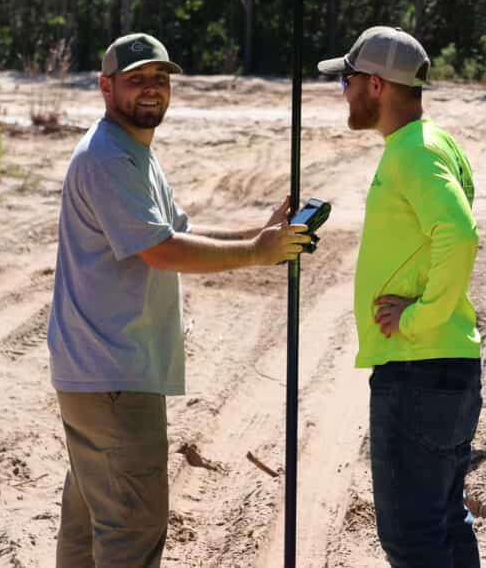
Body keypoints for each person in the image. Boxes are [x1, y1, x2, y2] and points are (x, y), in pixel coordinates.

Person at [46, 32, 310, 568]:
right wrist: (256, 254)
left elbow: (177, 232)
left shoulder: (132, 152)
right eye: (137, 79)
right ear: (105, 87)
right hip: (114, 377)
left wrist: (257, 236)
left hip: (97, 374)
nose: (151, 88)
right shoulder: (109, 158)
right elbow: (161, 251)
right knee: (131, 531)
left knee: (90, 527)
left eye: (160, 78)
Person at [318, 26, 483, 568]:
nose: (344, 92)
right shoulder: (432, 142)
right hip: (443, 366)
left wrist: (417, 318)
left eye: (346, 80)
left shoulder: (415, 152)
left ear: (375, 84)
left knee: (411, 539)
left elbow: (459, 234)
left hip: (418, 369)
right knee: (445, 523)